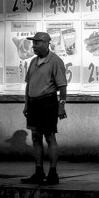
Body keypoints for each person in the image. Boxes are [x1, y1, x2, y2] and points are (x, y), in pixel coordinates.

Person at [21, 31, 67, 185]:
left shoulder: (55, 61)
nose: (33, 46)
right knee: (35, 136)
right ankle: (39, 172)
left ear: (46, 43)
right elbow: (29, 84)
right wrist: (26, 103)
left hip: (48, 102)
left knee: (49, 136)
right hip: (34, 104)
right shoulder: (33, 61)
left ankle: (53, 173)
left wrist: (62, 105)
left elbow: (62, 85)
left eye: (37, 43)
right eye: (33, 43)